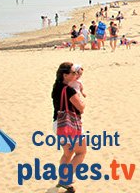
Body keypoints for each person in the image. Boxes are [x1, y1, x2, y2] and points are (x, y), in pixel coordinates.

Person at [51, 62, 86, 193]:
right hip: (70, 126)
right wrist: (82, 102)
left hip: (58, 124)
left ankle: (62, 179)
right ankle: (66, 179)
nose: (76, 74)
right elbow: (81, 108)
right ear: (65, 75)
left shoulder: (57, 87)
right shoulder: (69, 90)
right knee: (81, 152)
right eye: (73, 72)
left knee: (67, 154)